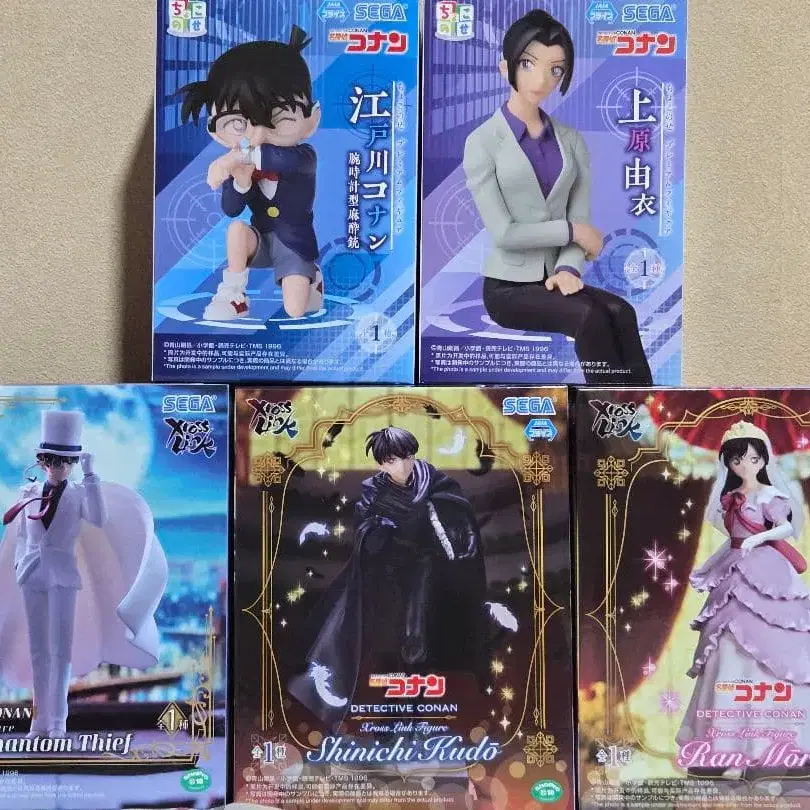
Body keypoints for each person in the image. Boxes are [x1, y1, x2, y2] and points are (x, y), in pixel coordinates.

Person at [463, 9, 652, 384]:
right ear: (505, 67)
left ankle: (641, 408)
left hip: (556, 278)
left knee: (621, 312)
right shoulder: (482, 142)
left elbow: (579, 215)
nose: (542, 79)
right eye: (528, 64)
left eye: (555, 69)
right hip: (508, 287)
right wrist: (571, 232)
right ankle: (605, 412)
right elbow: (505, 233)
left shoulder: (571, 141)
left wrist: (568, 269)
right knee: (589, 317)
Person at [289, 427, 488, 729]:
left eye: (408, 457)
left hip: (428, 574)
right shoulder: (373, 492)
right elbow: (364, 535)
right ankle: (390, 717)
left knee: (419, 646)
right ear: (382, 463)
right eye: (394, 460)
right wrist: (378, 531)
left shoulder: (437, 483)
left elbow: (461, 522)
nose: (404, 466)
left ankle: (418, 716)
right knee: (384, 648)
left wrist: (461, 539)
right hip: (387, 577)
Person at [0, 410, 168, 738]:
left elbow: (98, 518)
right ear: (43, 462)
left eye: (66, 461)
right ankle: (39, 720)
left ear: (73, 463)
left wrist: (91, 476)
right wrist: (21, 565)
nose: (59, 467)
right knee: (39, 652)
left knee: (60, 651)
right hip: (33, 576)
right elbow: (18, 536)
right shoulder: (28, 494)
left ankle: (57, 721)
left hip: (63, 576)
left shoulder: (78, 494)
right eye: (53, 461)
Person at [677, 421, 810, 766]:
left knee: (775, 645)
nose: (745, 465)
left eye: (752, 459)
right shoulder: (729, 497)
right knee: (723, 644)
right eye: (736, 460)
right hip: (733, 569)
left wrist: (759, 537)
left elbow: (785, 527)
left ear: (763, 460)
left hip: (768, 570)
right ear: (728, 463)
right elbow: (725, 528)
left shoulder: (770, 495)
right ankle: (724, 745)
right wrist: (732, 547)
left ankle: (779, 743)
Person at [179, 26, 323, 321]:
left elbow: (278, 158)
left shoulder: (303, 156)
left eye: (278, 119)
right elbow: (231, 209)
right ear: (215, 130)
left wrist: (233, 159)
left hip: (294, 244)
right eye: (239, 123)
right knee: (236, 230)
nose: (257, 136)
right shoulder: (240, 161)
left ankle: (313, 279)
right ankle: (235, 295)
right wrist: (241, 179)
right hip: (259, 240)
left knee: (296, 310)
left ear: (311, 120)